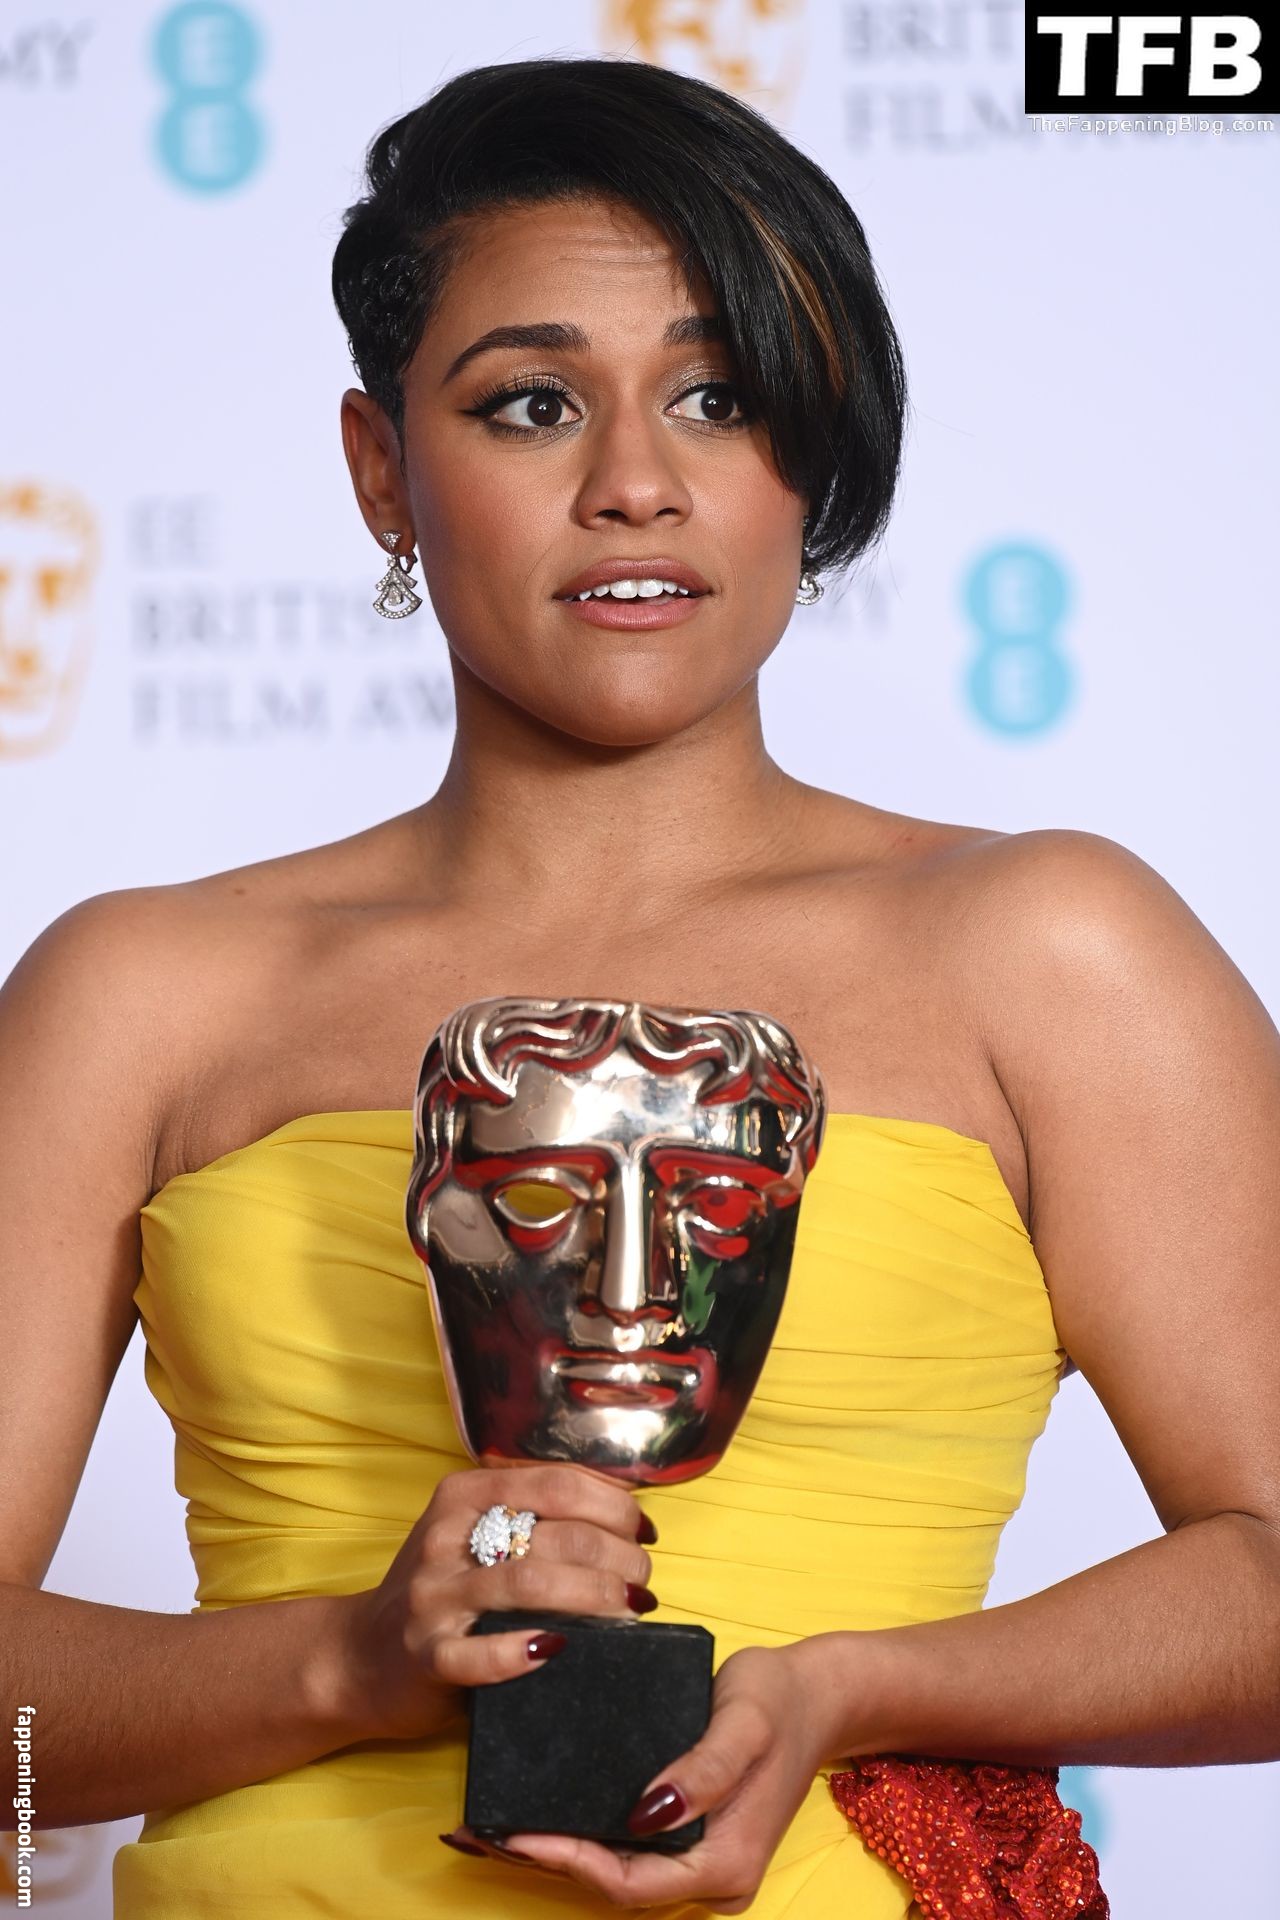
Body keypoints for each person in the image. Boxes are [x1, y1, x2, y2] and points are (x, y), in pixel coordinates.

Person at [1, 52, 1277, 1920]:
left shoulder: (1054, 948)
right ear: (382, 469)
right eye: (530, 404)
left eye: (719, 396)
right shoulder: (139, 994)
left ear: (812, 452)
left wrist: (860, 1688)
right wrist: (344, 1661)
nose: (634, 486)